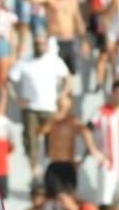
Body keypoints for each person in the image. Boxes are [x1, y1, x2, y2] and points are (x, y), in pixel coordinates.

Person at [8, 33, 71, 175]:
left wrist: (63, 94)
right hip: (30, 107)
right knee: (30, 138)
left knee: (52, 138)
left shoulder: (54, 61)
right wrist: (16, 98)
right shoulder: (24, 61)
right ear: (33, 45)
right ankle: (33, 168)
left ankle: (49, 165)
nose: (39, 46)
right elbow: (9, 80)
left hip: (50, 107)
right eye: (37, 43)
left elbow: (67, 78)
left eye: (42, 43)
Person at [32, 0, 89, 76]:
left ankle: (69, 91)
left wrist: (84, 41)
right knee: (54, 72)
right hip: (54, 40)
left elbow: (78, 21)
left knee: (70, 72)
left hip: (69, 40)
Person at [40, 93, 103, 168]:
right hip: (53, 164)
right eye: (61, 106)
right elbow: (41, 131)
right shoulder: (51, 120)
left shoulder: (72, 121)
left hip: (68, 164)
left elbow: (85, 132)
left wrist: (93, 151)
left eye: (64, 107)